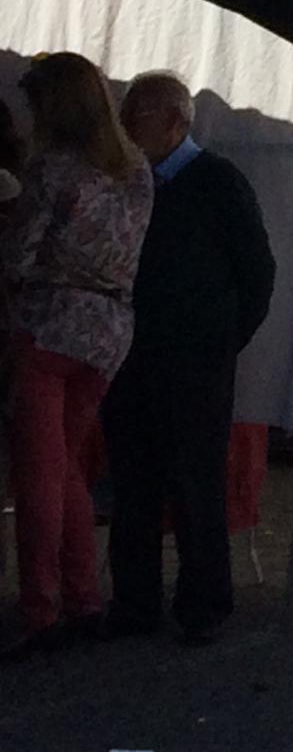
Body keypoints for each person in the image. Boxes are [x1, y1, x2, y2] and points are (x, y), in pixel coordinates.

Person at [104, 73, 275, 644]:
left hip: (195, 360)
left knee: (195, 484)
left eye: (139, 119)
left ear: (176, 122)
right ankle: (135, 602)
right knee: (132, 483)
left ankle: (203, 604)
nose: (128, 130)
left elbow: (257, 272)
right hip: (131, 355)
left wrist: (222, 340)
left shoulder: (217, 182)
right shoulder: (128, 181)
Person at [2, 53, 156, 655]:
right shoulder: (137, 170)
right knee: (66, 466)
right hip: (110, 328)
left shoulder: (51, 171)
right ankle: (84, 598)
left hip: (49, 325)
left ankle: (43, 610)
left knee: (38, 474)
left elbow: (18, 255)